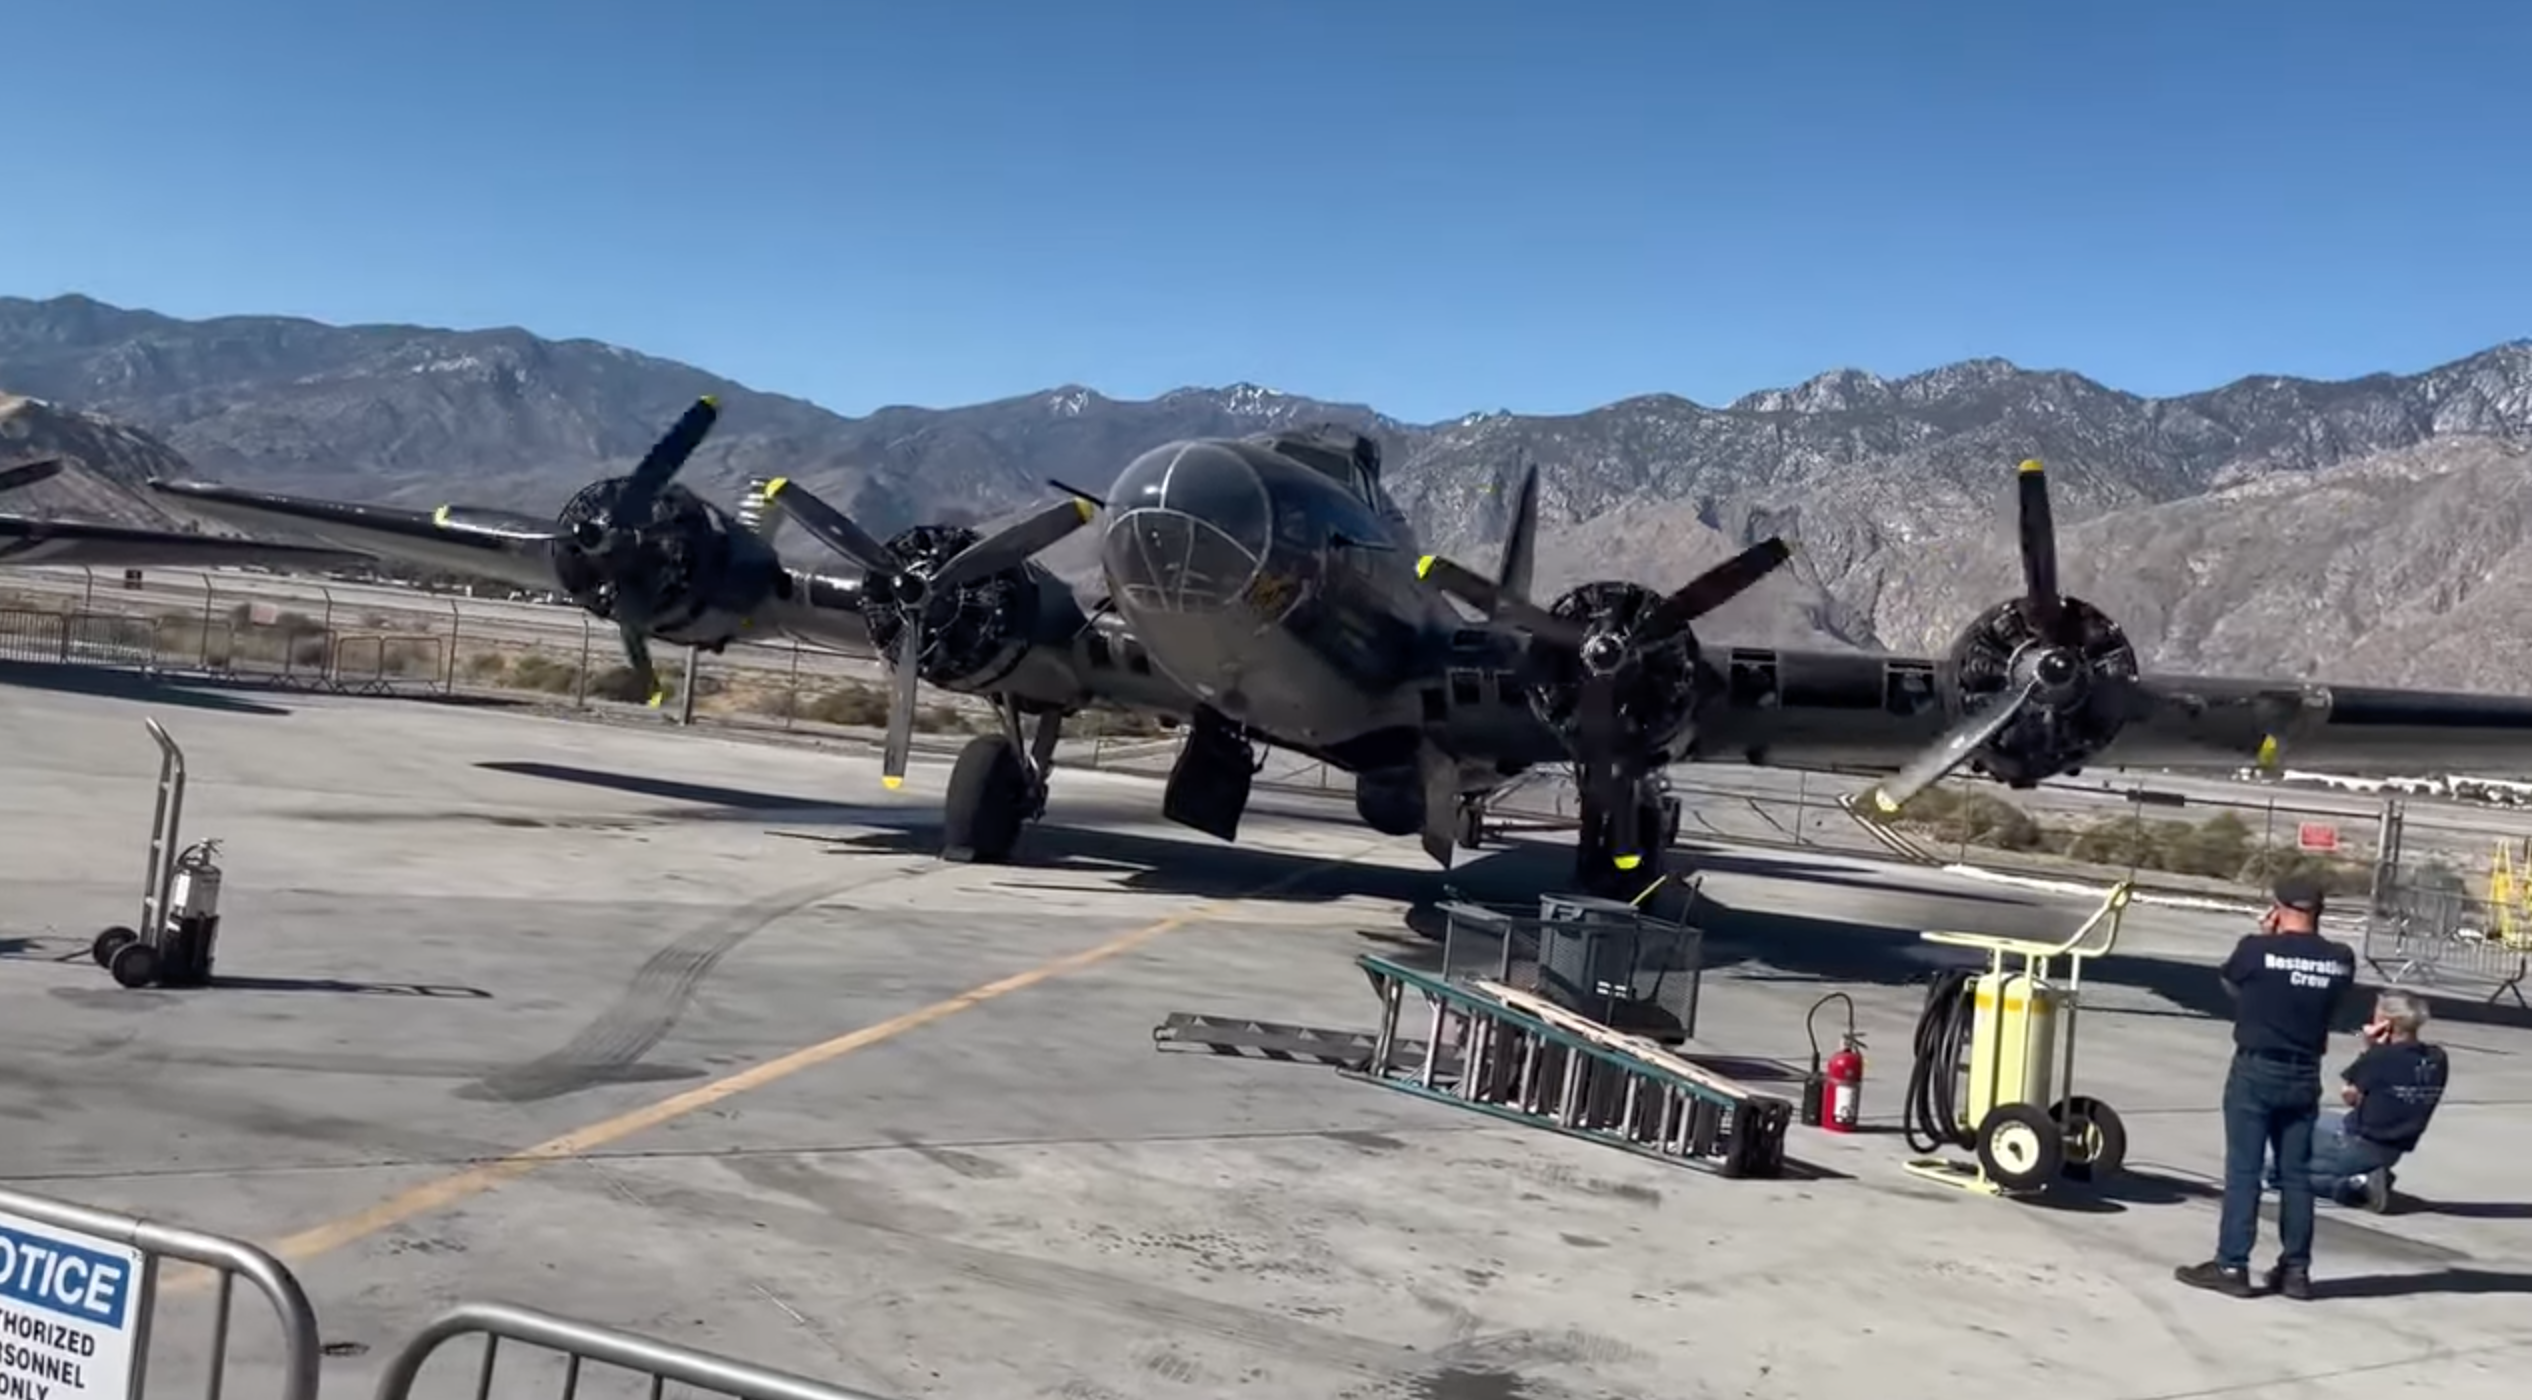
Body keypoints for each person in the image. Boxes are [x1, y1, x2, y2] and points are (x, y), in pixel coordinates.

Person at [2176, 870, 2357, 1300]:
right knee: (2296, 1174)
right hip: (2304, 1071)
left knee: (2244, 1170)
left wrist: (2264, 939)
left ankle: (2232, 1263)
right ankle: (2296, 1270)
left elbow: (2234, 986)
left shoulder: (2256, 951)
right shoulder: (2340, 958)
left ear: (2278, 909)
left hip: (2257, 1068)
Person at [2308, 990, 2448, 1212]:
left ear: (2385, 1024)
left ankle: (2353, 1186)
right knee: (2314, 1119)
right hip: (2394, 1148)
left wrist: (2369, 1047)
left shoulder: (2381, 1056)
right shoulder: (2437, 1058)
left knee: (2276, 1168)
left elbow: (2350, 1095)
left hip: (2359, 1142)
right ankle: (2371, 1175)